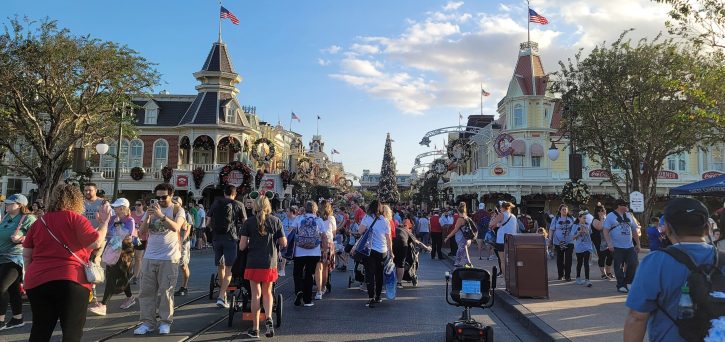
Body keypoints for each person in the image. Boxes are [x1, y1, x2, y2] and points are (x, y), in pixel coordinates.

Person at [624, 198, 725, 342]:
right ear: (708, 226)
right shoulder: (722, 259)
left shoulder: (655, 262)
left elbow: (637, 317)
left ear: (668, 228)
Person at [23, 184, 108, 341]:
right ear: (77, 201)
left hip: (38, 280)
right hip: (71, 279)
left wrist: (30, 276)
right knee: (71, 331)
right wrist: (104, 223)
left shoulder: (39, 222)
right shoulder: (76, 219)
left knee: (40, 328)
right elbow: (95, 243)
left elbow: (27, 254)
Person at [134, 183, 186, 335]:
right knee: (146, 292)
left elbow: (176, 227)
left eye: (164, 197)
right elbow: (142, 232)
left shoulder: (177, 209)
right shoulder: (152, 210)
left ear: (171, 195)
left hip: (169, 258)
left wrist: (161, 216)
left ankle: (165, 322)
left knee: (166, 291)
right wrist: (148, 217)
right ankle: (147, 322)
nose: (161, 200)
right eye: (158, 197)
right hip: (149, 256)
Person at [239, 196, 287, 339]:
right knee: (268, 293)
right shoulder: (276, 221)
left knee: (256, 295)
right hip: (269, 262)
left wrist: (250, 242)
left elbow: (242, 246)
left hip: (253, 262)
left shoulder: (248, 222)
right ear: (268, 206)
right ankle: (269, 318)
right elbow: (283, 243)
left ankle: (255, 329)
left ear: (255, 206)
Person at [91, 198, 136, 316]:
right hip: (112, 250)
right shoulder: (113, 218)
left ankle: (103, 304)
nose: (114, 209)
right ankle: (130, 298)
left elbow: (126, 235)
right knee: (118, 275)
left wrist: (117, 224)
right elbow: (107, 231)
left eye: (116, 207)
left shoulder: (129, 220)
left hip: (125, 251)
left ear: (122, 208)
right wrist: (102, 221)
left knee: (114, 277)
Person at [0, 194, 36, 330]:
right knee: (13, 288)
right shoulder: (6, 217)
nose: (6, 205)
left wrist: (22, 238)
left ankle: (0, 321)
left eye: (10, 203)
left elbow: (37, 236)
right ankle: (17, 318)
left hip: (15, 257)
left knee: (1, 287)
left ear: (19, 205)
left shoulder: (28, 218)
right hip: (1, 257)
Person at [207, 185, 245, 309]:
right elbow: (245, 223)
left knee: (220, 266)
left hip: (217, 238)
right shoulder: (238, 204)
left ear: (224, 193)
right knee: (229, 268)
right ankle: (221, 296)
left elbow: (207, 222)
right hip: (231, 238)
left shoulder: (215, 203)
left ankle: (222, 295)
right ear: (235, 194)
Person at [358, 200, 392, 308]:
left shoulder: (367, 218)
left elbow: (360, 231)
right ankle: (378, 296)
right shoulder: (385, 220)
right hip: (382, 250)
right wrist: (391, 252)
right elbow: (388, 238)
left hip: (370, 250)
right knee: (379, 274)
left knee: (370, 274)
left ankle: (371, 297)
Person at [83, 183, 111, 312]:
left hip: (98, 237)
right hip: (83, 237)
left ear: (96, 190)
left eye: (90, 190)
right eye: (86, 190)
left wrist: (100, 228)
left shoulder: (102, 203)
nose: (88, 192)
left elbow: (108, 219)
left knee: (93, 264)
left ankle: (94, 296)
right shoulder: (81, 203)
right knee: (82, 264)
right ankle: (86, 291)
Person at [602, 199, 641, 293]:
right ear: (619, 206)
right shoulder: (610, 216)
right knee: (618, 266)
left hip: (629, 246)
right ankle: (621, 285)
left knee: (633, 263)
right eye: (625, 205)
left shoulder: (629, 215)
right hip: (616, 246)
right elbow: (605, 231)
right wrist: (609, 243)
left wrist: (638, 244)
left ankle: (629, 282)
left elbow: (634, 230)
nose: (627, 207)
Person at [292, 201, 326, 307]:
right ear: (315, 209)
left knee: (297, 273)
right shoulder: (319, 220)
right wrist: (324, 250)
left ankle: (298, 291)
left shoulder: (298, 218)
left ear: (304, 209)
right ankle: (307, 300)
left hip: (299, 251)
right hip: (314, 252)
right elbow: (324, 236)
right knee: (309, 275)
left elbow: (291, 232)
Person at [393, 215, 430, 288]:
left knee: (392, 263)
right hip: (402, 245)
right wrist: (427, 248)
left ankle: (388, 281)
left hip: (392, 244)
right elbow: (417, 242)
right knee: (401, 264)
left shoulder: (395, 228)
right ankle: (399, 283)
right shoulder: (407, 231)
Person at [489, 202, 517, 278]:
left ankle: (506, 279)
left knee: (503, 260)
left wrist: (494, 216)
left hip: (502, 240)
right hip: (512, 239)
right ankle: (512, 277)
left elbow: (490, 224)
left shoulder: (501, 215)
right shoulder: (513, 216)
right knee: (510, 260)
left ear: (502, 207)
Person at [315, 200, 335, 300]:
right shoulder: (331, 218)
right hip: (328, 243)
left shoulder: (317, 218)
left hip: (318, 243)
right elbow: (334, 233)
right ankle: (323, 287)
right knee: (326, 268)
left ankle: (318, 291)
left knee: (319, 267)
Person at [445, 202, 475, 267]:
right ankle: (468, 263)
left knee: (460, 251)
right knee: (464, 251)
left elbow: (455, 230)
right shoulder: (467, 218)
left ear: (458, 211)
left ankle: (458, 263)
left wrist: (448, 237)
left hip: (461, 238)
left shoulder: (460, 219)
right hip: (467, 237)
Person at [550, 204, 575, 282]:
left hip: (569, 241)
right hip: (558, 242)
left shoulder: (572, 219)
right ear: (560, 210)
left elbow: (575, 228)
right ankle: (560, 275)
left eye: (566, 209)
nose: (565, 211)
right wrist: (550, 239)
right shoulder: (556, 219)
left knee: (568, 259)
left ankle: (568, 276)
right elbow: (551, 229)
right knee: (560, 259)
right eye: (563, 209)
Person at [174, 197, 193, 297]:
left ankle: (184, 286)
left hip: (183, 242)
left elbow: (188, 230)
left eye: (175, 202)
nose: (173, 204)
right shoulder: (169, 213)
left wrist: (181, 240)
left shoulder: (186, 214)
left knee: (183, 265)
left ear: (180, 204)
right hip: (172, 242)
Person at [591, 205, 614, 279]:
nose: (601, 212)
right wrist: (601, 218)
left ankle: (608, 272)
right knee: (602, 257)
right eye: (599, 211)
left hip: (608, 240)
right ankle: (603, 274)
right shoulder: (595, 220)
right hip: (600, 242)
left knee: (610, 256)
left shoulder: (607, 218)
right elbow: (600, 227)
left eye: (602, 210)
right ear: (596, 212)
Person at [573, 211, 593, 287]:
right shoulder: (575, 226)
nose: (585, 219)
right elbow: (573, 237)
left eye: (586, 218)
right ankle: (578, 278)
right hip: (579, 247)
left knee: (586, 263)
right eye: (583, 218)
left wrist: (587, 232)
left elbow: (590, 235)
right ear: (579, 218)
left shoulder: (588, 225)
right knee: (579, 263)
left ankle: (587, 280)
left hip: (587, 247)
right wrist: (579, 232)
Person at [131, 200, 146, 284]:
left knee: (138, 258)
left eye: (139, 204)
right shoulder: (132, 214)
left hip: (140, 238)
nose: (137, 206)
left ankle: (136, 276)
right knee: (129, 257)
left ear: (143, 205)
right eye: (135, 204)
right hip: (131, 238)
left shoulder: (145, 215)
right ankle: (130, 273)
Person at [279, 206, 297, 277]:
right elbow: (282, 229)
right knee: (283, 254)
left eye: (287, 211)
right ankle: (282, 270)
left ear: (291, 212)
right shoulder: (285, 219)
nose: (286, 213)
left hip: (294, 241)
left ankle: (296, 270)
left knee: (295, 255)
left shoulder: (297, 219)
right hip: (286, 239)